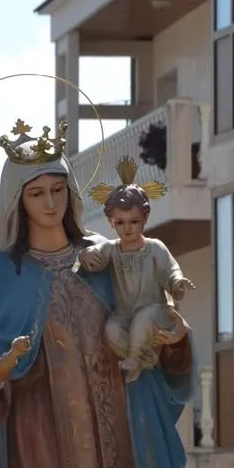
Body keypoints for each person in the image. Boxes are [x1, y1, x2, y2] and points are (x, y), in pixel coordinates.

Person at [0, 123, 196, 468]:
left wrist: (174, 339)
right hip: (42, 434)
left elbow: (149, 317)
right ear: (18, 201)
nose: (50, 203)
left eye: (58, 190)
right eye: (37, 193)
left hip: (122, 426)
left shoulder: (105, 258)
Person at [79, 156, 196, 383]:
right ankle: (146, 359)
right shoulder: (112, 249)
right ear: (111, 222)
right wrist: (87, 256)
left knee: (144, 319)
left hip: (156, 312)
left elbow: (170, 271)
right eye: (120, 223)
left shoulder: (154, 248)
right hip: (125, 314)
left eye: (133, 221)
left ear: (145, 218)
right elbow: (96, 255)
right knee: (112, 330)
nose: (127, 228)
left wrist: (178, 283)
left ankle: (134, 360)